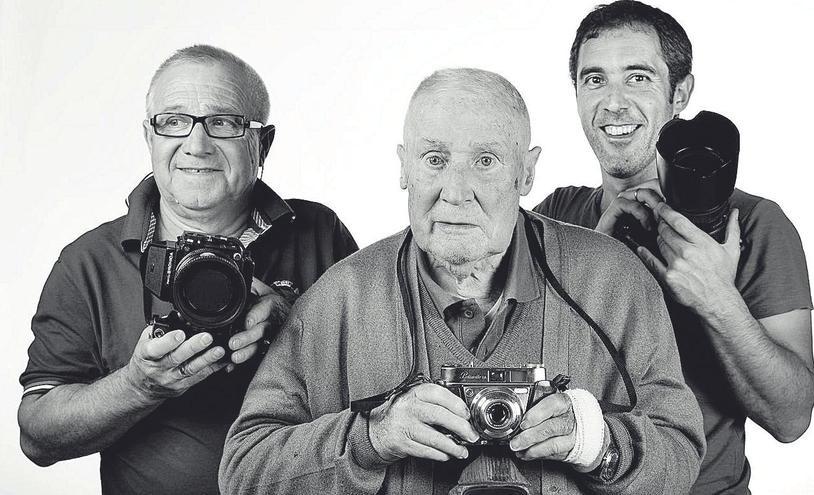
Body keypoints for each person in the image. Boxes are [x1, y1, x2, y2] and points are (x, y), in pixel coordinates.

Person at [220, 68, 704, 494]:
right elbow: (243, 470)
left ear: (527, 171)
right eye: (434, 159)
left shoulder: (614, 281)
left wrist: (599, 444)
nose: (455, 191)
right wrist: (371, 439)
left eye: (485, 160)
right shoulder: (338, 297)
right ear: (404, 167)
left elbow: (681, 454)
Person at [18, 45, 358, 495]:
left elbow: (381, 383)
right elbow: (37, 437)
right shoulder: (89, 261)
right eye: (174, 121)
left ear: (264, 142)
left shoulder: (318, 233)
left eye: (223, 122)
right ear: (150, 137)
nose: (196, 145)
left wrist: (294, 322)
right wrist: (139, 386)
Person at [534, 2, 814, 493]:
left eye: (638, 78)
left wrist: (716, 300)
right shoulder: (558, 214)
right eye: (594, 79)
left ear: (679, 92)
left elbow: (791, 417)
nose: (613, 103)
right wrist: (597, 258)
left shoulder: (751, 224)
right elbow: (512, 359)